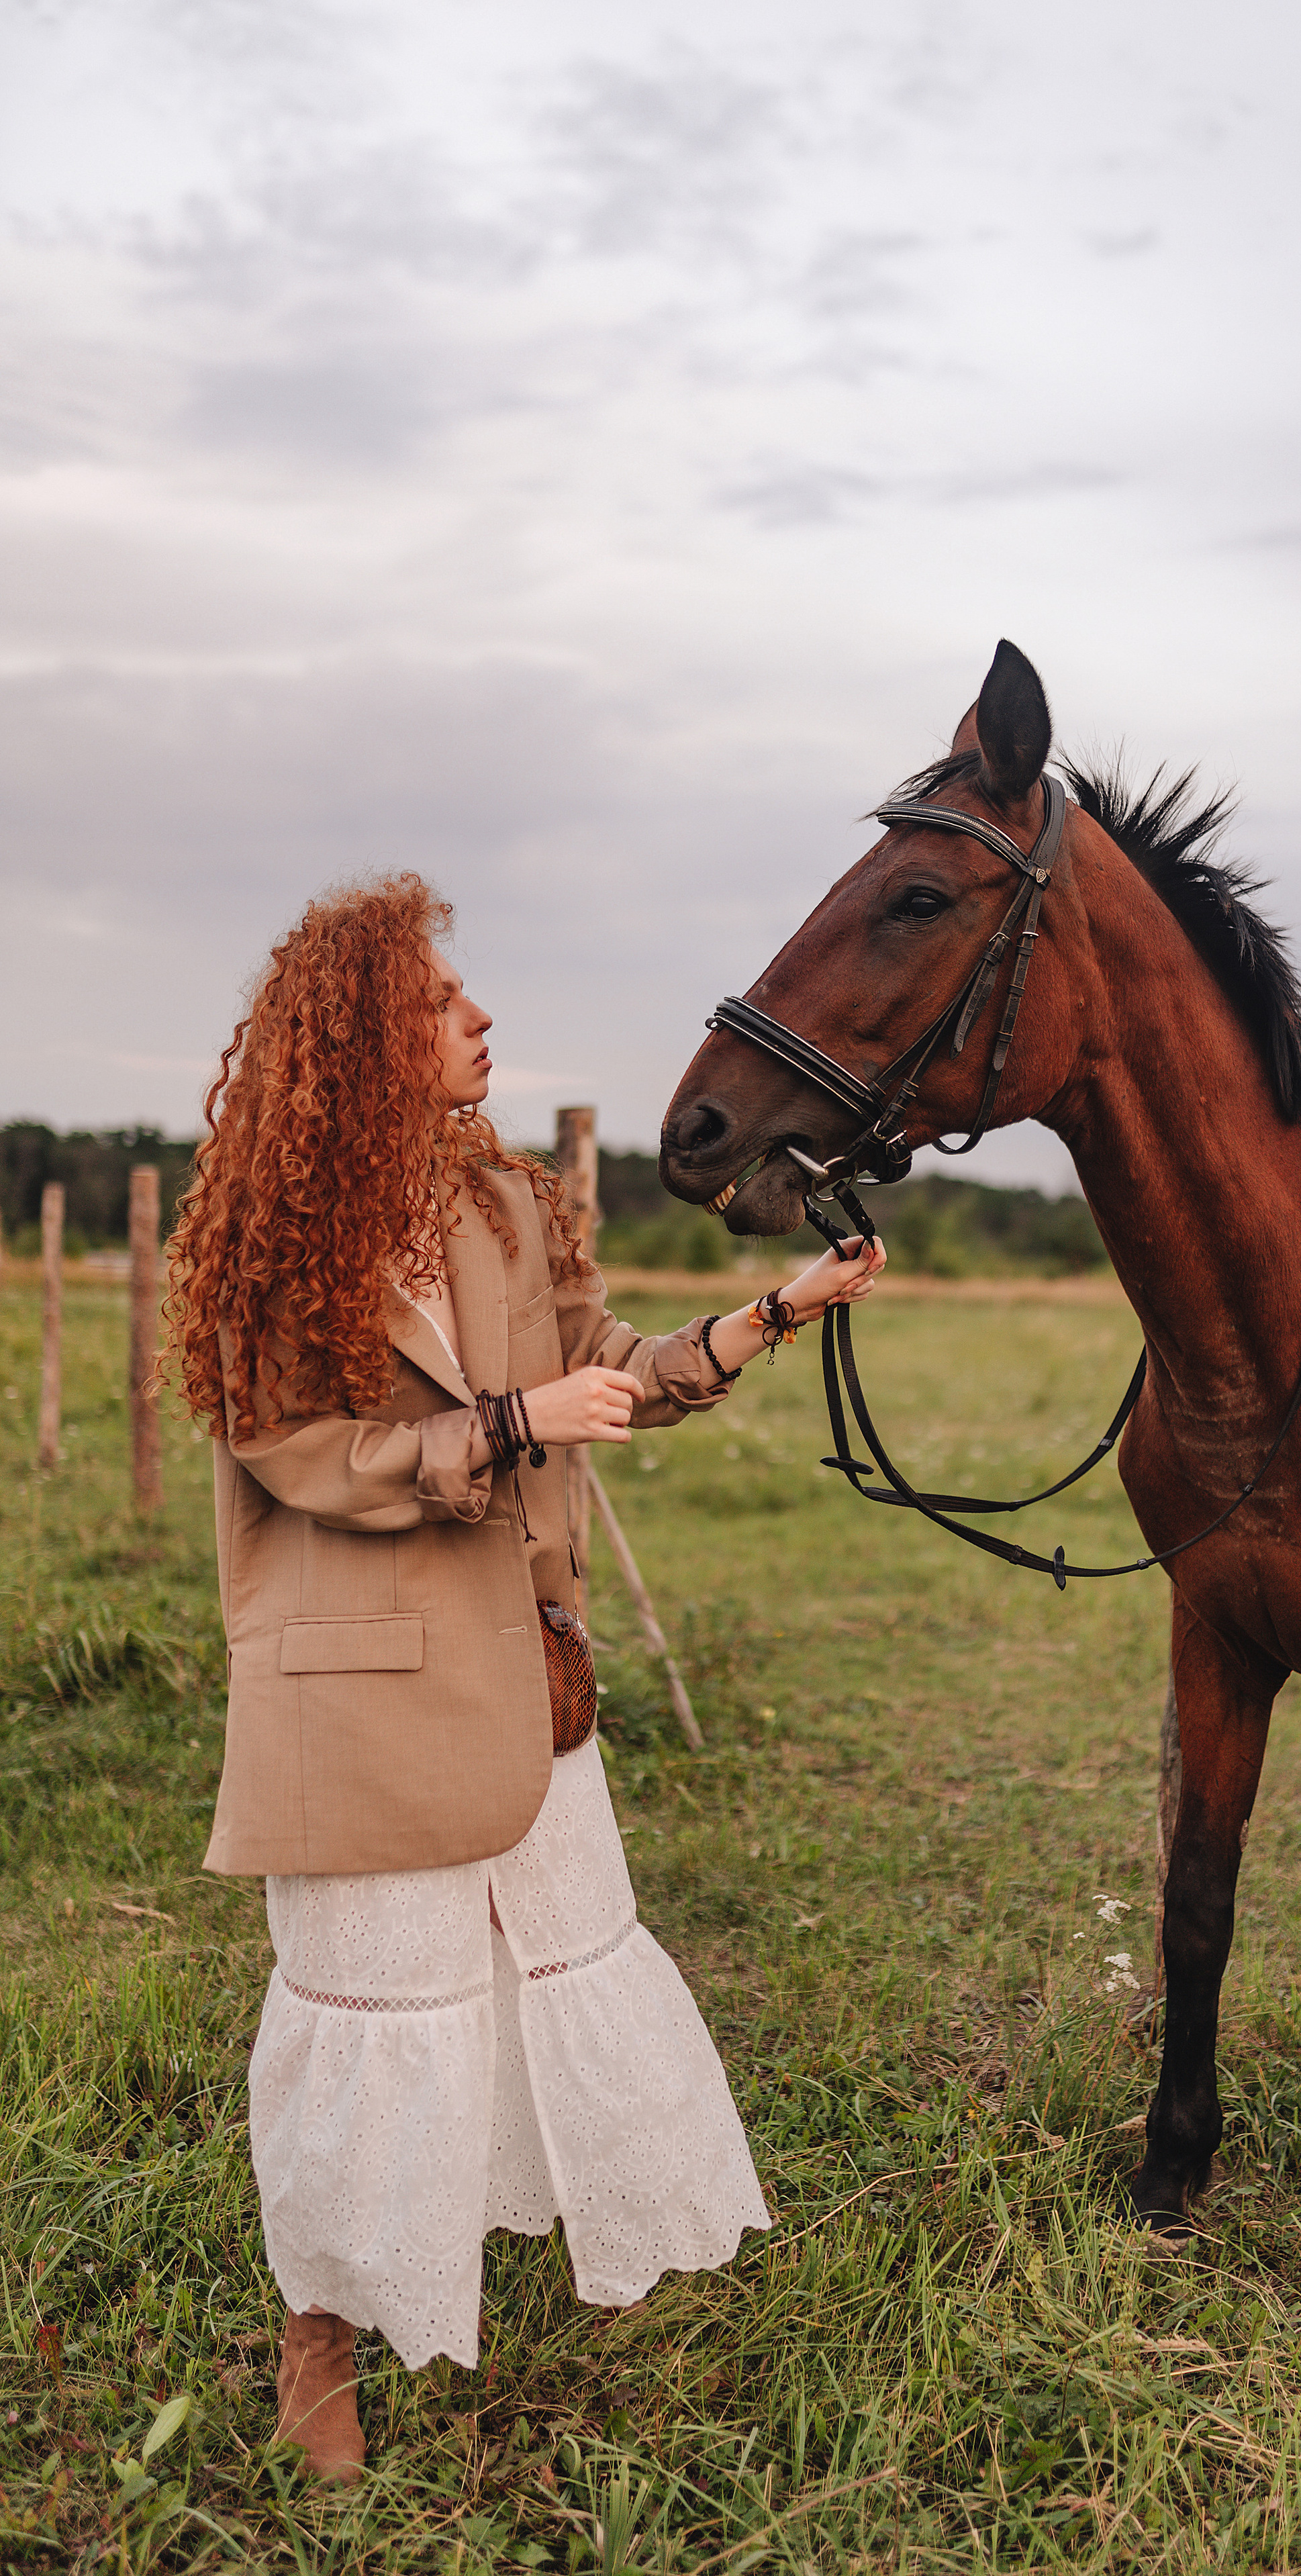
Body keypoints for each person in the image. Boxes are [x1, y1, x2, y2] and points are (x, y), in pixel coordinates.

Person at [162, 873, 883, 2483]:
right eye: (440, 999)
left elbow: (603, 1369)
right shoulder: (278, 1229)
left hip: (524, 1670)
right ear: (363, 1035)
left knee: (554, 1960)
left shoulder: (503, 1199)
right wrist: (506, 1426)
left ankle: (526, 2237)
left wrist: (766, 1316)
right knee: (369, 2010)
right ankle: (318, 2334)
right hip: (357, 1688)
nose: (478, 1015)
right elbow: (296, 1453)